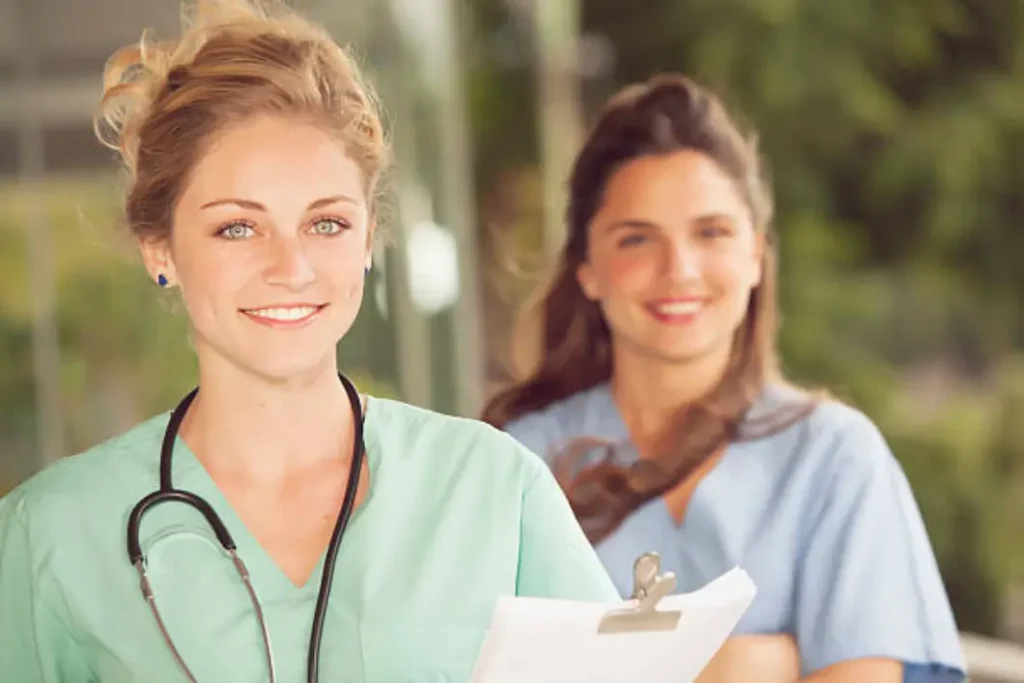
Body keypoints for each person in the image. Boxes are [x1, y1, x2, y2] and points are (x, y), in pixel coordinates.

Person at [0, 1, 619, 681]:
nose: (291, 268)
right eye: (237, 227)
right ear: (161, 249)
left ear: (367, 242)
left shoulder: (494, 491)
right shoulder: (49, 536)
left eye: (325, 224)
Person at [483, 74, 967, 683]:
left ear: (756, 255)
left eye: (711, 232)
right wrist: (750, 664)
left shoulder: (833, 459)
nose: (678, 270)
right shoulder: (511, 465)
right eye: (636, 239)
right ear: (587, 270)